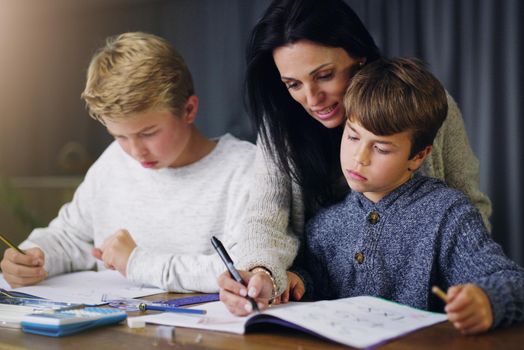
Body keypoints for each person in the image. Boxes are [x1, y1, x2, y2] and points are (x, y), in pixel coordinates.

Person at [218, 0, 492, 315]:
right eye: (293, 84)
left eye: (324, 75)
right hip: (321, 315)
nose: (311, 99)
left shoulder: (426, 108)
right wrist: (262, 273)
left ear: (359, 57)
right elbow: (266, 220)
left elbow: (469, 207)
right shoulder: (283, 126)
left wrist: (471, 288)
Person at [268, 57, 524, 334]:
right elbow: (316, 282)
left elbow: (511, 280)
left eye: (381, 148)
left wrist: (487, 300)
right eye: (353, 137)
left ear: (418, 156)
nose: (359, 158)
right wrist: (298, 281)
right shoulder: (325, 225)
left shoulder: (448, 214)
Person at [0, 32, 257, 293]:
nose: (135, 151)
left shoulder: (244, 170)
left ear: (188, 110)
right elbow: (69, 237)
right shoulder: (114, 161)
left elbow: (243, 270)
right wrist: (33, 256)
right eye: (120, 136)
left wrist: (136, 262)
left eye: (148, 133)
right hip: (117, 329)